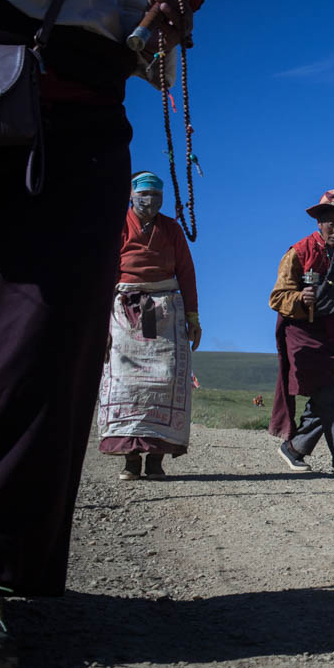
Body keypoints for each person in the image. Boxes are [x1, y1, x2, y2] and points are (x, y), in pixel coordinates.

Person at [0, 0, 194, 668]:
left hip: (83, 115)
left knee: (41, 341)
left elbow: (112, 15)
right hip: (7, 69)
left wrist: (158, 12)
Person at [97, 171, 200, 480]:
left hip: (165, 309)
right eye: (145, 194)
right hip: (125, 310)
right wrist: (100, 325)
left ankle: (156, 459)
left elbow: (186, 272)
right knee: (126, 381)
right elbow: (104, 275)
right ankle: (130, 459)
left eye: (157, 195)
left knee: (165, 378)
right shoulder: (117, 226)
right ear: (131, 195)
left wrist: (193, 317)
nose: (151, 200)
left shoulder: (171, 229)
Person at [269, 190, 334, 480]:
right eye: (332, 223)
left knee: (328, 397)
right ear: (319, 222)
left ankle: (295, 447)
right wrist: (300, 300)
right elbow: (278, 297)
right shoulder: (299, 252)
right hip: (303, 335)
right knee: (328, 397)